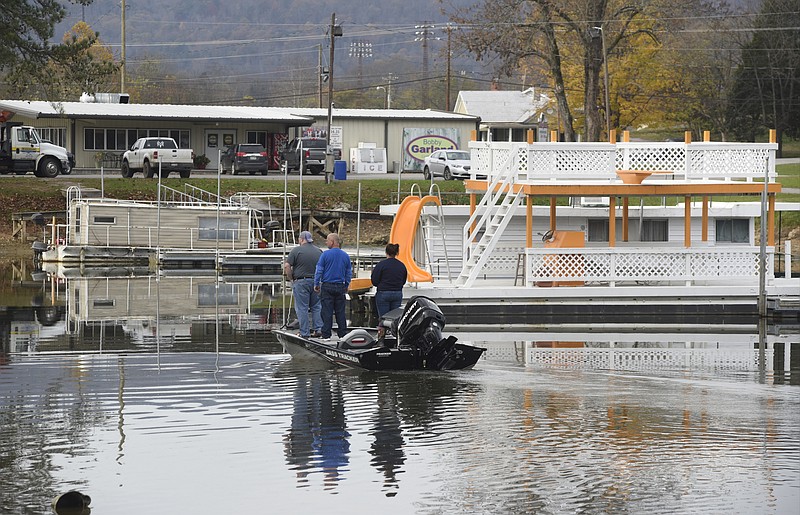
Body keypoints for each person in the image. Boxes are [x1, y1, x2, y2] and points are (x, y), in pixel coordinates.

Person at [284, 231, 323, 338]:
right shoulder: (319, 251)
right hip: (316, 282)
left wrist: (291, 279)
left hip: (301, 282)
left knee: (302, 308)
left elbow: (287, 266)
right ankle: (318, 329)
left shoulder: (296, 250)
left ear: (301, 239)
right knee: (316, 307)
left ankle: (304, 332)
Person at [314, 233, 352, 339]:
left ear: (333, 242)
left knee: (327, 311)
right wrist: (346, 284)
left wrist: (316, 283)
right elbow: (348, 272)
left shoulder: (325, 255)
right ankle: (342, 334)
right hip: (340, 286)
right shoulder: (345, 256)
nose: (326, 243)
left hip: (327, 286)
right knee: (340, 312)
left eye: (327, 241)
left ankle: (326, 334)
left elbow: (319, 270)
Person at [370, 243, 407, 318]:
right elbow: (403, 281)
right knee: (395, 318)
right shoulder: (401, 265)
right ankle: (393, 329)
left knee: (383, 318)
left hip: (383, 292)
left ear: (386, 252)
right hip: (397, 293)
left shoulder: (381, 265)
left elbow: (374, 280)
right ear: (397, 253)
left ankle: (383, 329)